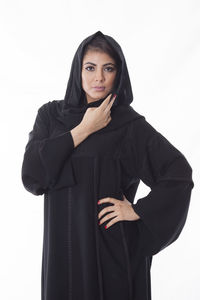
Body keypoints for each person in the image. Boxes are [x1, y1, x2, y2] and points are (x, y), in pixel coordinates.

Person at [21, 30, 194, 300]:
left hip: (110, 251)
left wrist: (138, 210)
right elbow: (32, 175)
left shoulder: (128, 125)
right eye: (90, 68)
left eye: (108, 68)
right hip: (62, 253)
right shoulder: (50, 116)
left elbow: (178, 173)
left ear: (119, 74)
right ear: (77, 70)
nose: (99, 78)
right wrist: (84, 129)